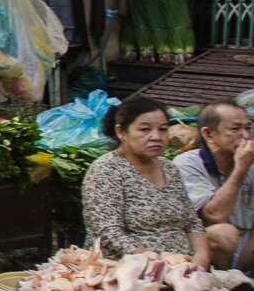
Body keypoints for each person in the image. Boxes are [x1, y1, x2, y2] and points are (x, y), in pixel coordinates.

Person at [82, 96, 209, 266]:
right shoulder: (106, 169)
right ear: (121, 132)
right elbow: (108, 232)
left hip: (182, 267)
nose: (156, 137)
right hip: (128, 269)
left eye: (163, 129)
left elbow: (192, 223)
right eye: (145, 129)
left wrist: (201, 258)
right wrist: (156, 263)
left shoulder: (169, 168)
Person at [174, 101, 254, 271]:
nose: (245, 136)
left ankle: (241, 279)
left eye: (247, 128)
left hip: (246, 247)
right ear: (208, 134)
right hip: (207, 248)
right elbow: (214, 214)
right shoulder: (187, 163)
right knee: (224, 233)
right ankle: (223, 282)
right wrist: (240, 168)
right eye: (235, 129)